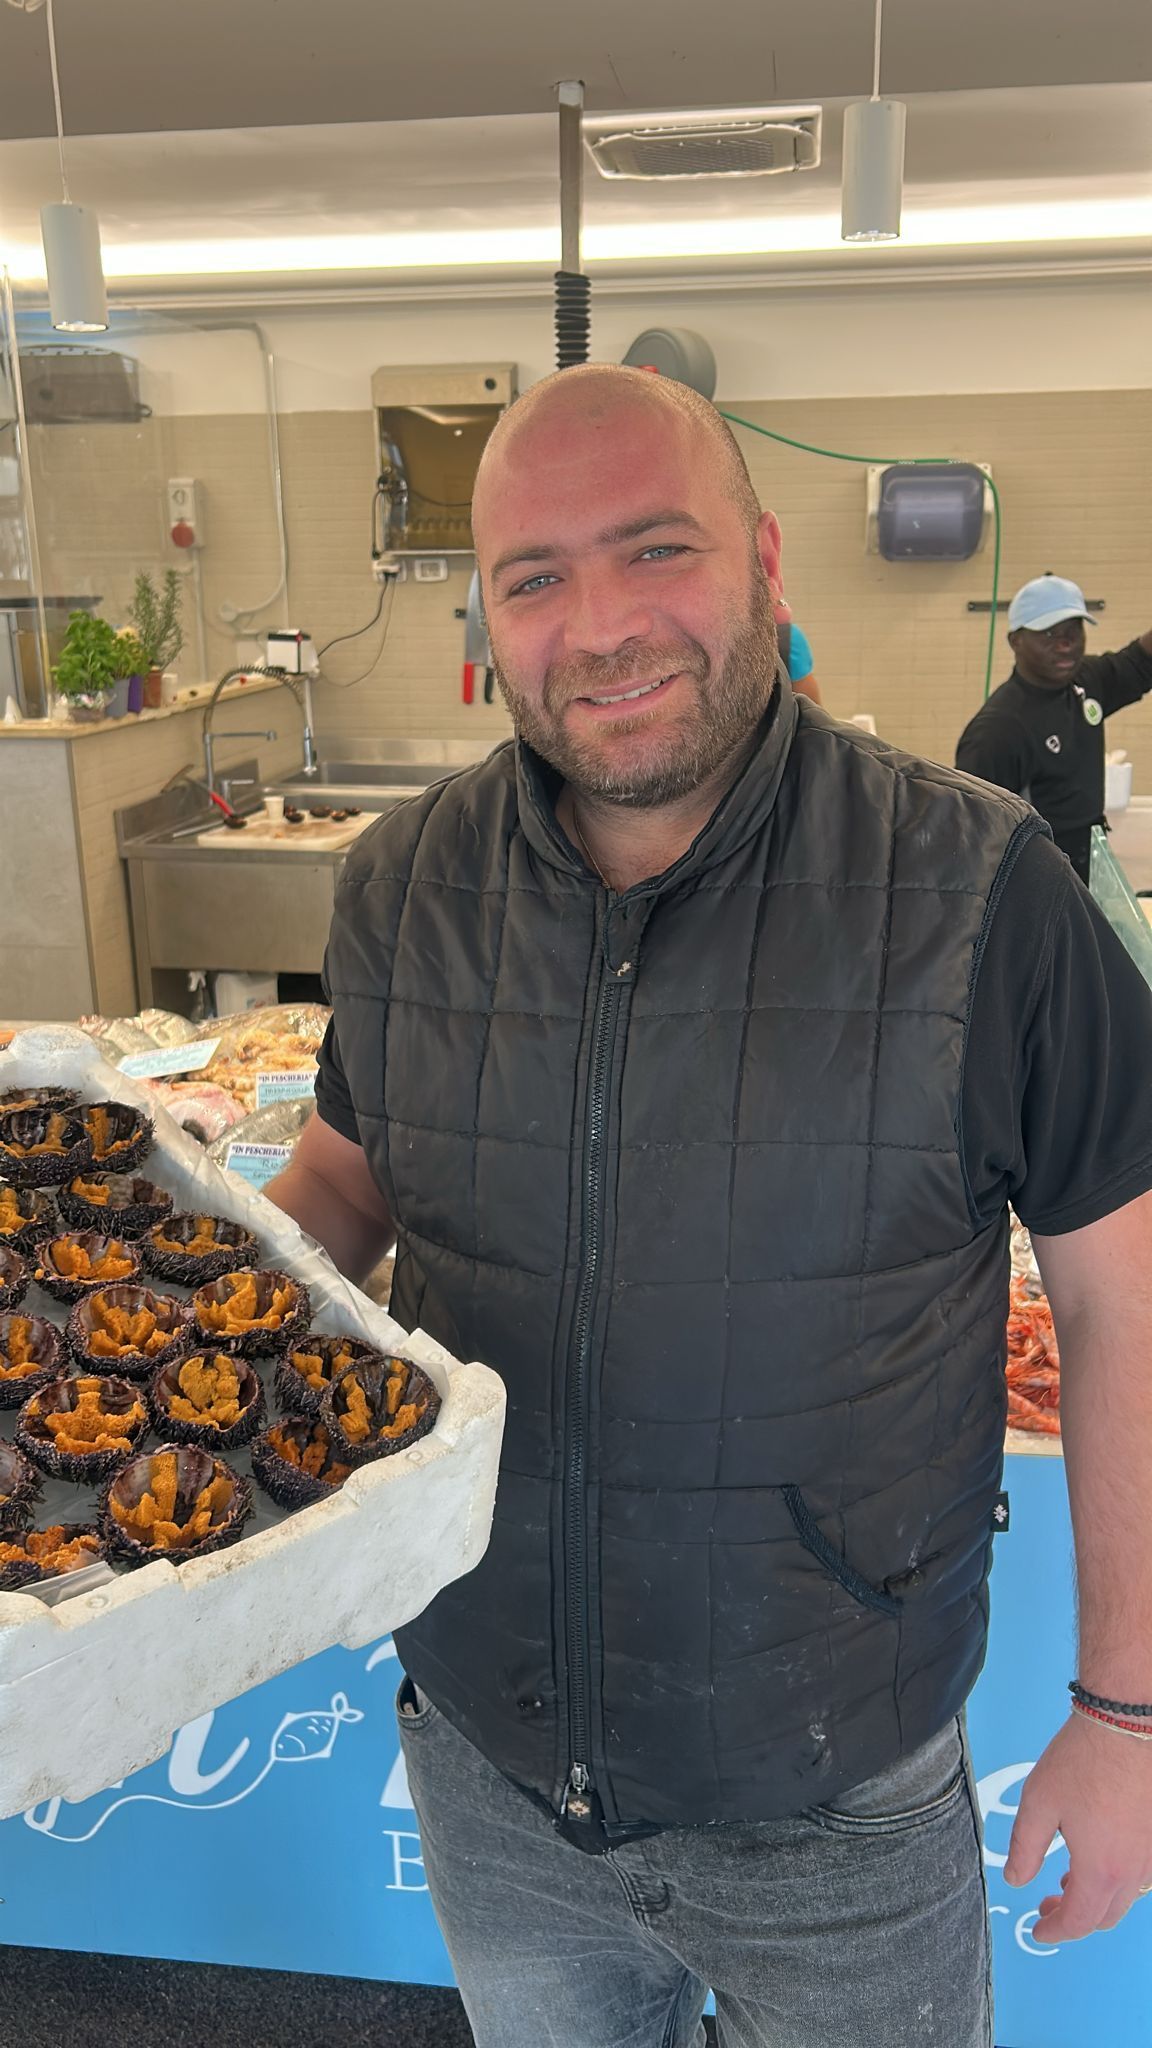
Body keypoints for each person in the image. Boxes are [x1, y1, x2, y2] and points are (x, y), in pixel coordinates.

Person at [268, 367, 1152, 2048]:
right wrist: (112, 1339)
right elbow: (339, 1182)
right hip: (490, 1760)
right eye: (534, 575)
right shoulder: (401, 889)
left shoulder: (974, 895)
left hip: (837, 1793)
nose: (597, 623)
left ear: (760, 561)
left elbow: (1126, 1300)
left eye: (651, 550)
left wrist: (1126, 1716)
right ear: (487, 614)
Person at [955, 573, 1152, 883]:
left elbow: (1141, 661)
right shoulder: (998, 729)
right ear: (1015, 640)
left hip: (1088, 858)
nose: (1066, 644)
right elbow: (974, 834)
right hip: (1039, 874)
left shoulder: (1085, 681)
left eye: (1074, 630)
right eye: (1048, 633)